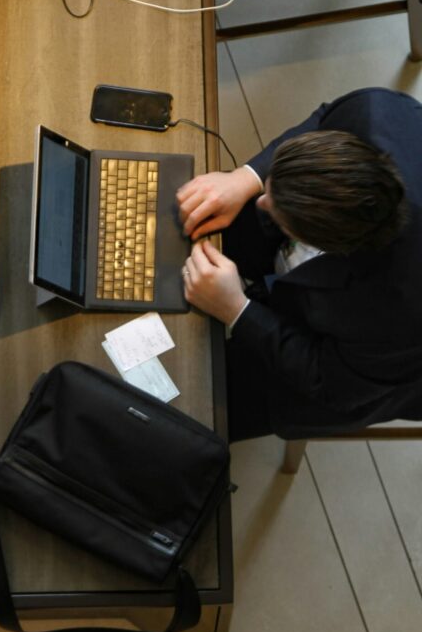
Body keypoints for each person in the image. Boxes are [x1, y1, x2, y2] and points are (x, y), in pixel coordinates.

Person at [176, 88, 422, 441]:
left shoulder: (399, 313)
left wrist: (237, 310)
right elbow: (322, 120)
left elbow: (332, 382)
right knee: (195, 225)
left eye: (275, 207)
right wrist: (246, 178)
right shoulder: (374, 113)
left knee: (194, 405)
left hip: (357, 371)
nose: (262, 201)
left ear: (325, 245)